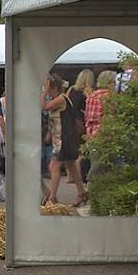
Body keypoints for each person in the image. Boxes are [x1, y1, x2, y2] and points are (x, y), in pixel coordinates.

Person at [43, 74, 89, 207]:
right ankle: (82, 193)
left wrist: (43, 91)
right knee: (70, 164)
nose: (48, 92)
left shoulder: (62, 99)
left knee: (54, 166)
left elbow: (44, 107)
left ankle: (52, 197)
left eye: (49, 89)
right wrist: (50, 134)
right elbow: (55, 119)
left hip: (64, 137)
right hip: (60, 136)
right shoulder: (59, 99)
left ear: (55, 88)